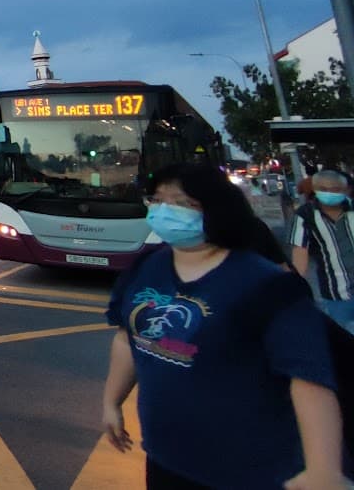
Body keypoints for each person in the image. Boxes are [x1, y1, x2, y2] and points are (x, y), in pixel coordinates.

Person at [100, 163, 345, 489]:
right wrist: (111, 402)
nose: (164, 210)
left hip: (251, 471)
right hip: (165, 459)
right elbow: (126, 339)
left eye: (182, 203)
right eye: (157, 200)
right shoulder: (147, 267)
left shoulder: (266, 284)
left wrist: (323, 470)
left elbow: (308, 378)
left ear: (217, 210)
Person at [291, 168, 354, 332]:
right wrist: (295, 286)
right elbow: (300, 255)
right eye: (324, 189)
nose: (330, 193)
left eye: (335, 189)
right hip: (335, 293)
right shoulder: (305, 215)